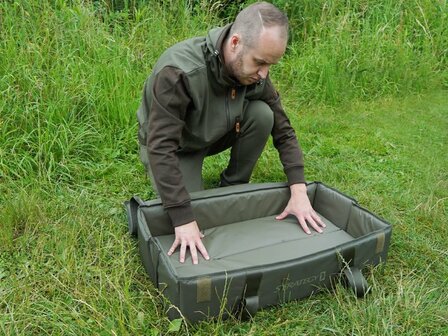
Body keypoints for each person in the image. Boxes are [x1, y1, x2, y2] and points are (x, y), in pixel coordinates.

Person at [136, 2, 325, 265]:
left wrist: (299, 189)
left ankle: (233, 187)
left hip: (212, 131)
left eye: (270, 65)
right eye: (259, 62)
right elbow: (160, 145)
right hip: (174, 145)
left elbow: (283, 128)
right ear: (235, 43)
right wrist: (183, 217)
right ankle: (193, 191)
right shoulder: (178, 71)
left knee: (263, 114)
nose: (264, 74)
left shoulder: (254, 72)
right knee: (193, 217)